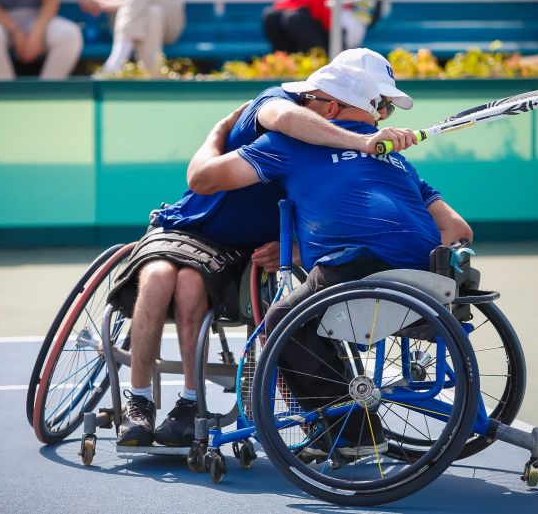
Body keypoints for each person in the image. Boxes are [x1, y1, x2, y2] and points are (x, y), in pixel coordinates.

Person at [105, 54, 420, 449]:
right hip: (188, 226)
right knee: (158, 278)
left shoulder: (343, 153)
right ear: (330, 104)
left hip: (242, 249)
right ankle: (140, 402)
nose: (383, 116)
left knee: (189, 287)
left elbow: (334, 211)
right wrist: (217, 131)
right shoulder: (278, 103)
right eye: (381, 105)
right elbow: (276, 127)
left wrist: (297, 248)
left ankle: (189, 404)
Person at [187, 63, 472, 455]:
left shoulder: (289, 145)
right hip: (427, 279)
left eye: (307, 100)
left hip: (358, 271)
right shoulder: (398, 161)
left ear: (330, 109)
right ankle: (343, 426)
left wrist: (217, 132)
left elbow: (201, 179)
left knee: (281, 320)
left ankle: (353, 435)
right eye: (384, 109)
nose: (303, 105)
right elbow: (458, 230)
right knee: (316, 306)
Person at [0, 0, 83, 79]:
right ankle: (6, 96)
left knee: (69, 35)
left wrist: (37, 33)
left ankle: (46, 96)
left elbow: (51, 2)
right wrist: (15, 31)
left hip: (38, 18)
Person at [77, 0, 184, 77]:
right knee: (153, 13)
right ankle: (152, 79)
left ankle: (116, 62)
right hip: (142, 22)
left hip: (169, 18)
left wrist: (113, 3)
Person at [262, 0, 358, 53]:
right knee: (272, 17)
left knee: (294, 19)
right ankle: (291, 63)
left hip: (344, 16)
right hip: (319, 6)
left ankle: (321, 62)